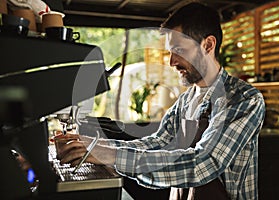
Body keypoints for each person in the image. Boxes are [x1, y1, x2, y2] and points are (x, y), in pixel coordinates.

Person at [58, 2, 265, 200]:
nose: (171, 62)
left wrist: (110, 155)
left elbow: (203, 163)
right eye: (170, 52)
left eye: (179, 51)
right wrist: (94, 146)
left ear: (208, 45)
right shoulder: (186, 99)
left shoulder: (244, 99)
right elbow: (158, 143)